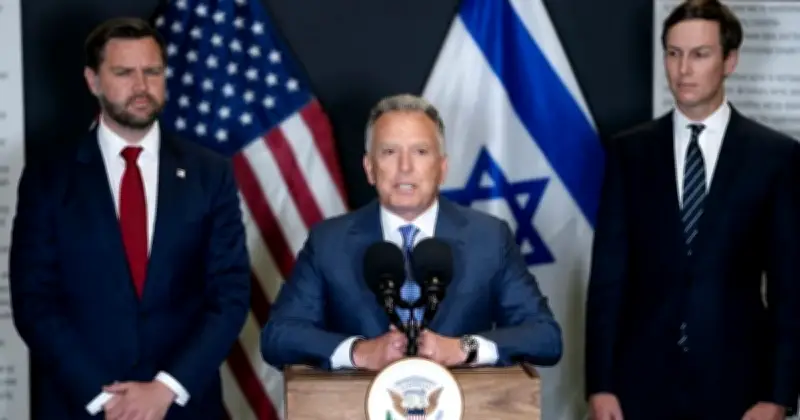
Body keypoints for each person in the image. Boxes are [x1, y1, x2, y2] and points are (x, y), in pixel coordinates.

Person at [9, 18, 250, 419]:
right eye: (124, 73)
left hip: (181, 405)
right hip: (81, 405)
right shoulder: (49, 177)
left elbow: (230, 294)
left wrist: (166, 388)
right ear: (93, 80)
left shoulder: (210, 174)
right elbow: (34, 300)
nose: (141, 86)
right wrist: (105, 398)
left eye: (152, 71)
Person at [585, 1, 800, 419]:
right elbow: (608, 278)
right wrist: (600, 384)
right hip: (637, 387)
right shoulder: (629, 152)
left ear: (729, 61)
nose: (683, 69)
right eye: (674, 53)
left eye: (700, 54)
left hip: (739, 389)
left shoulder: (774, 157)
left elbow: (789, 289)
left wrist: (778, 396)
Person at [260, 94, 562, 371]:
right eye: (389, 152)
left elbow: (545, 337)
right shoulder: (329, 242)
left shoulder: (489, 238)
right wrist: (360, 352)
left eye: (420, 151)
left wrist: (463, 348)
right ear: (369, 168)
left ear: (442, 168)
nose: (405, 167)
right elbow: (278, 336)